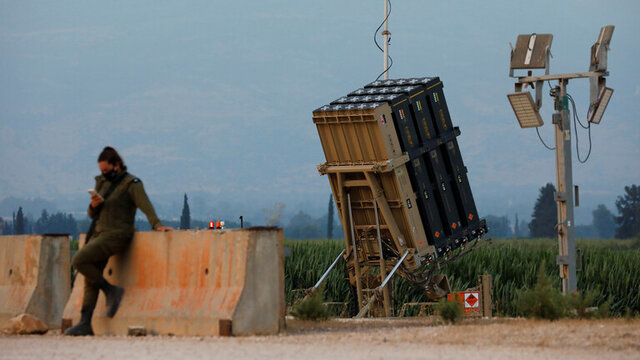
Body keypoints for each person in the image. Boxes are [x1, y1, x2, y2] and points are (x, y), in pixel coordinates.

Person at [64, 146, 173, 336]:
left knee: (79, 261)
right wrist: (93, 205)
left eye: (106, 170)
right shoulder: (102, 183)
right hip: (99, 233)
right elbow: (92, 214)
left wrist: (156, 224)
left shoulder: (132, 184)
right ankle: (85, 322)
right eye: (101, 171)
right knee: (92, 276)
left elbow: (145, 205)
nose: (104, 174)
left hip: (117, 235)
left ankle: (111, 291)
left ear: (117, 165)